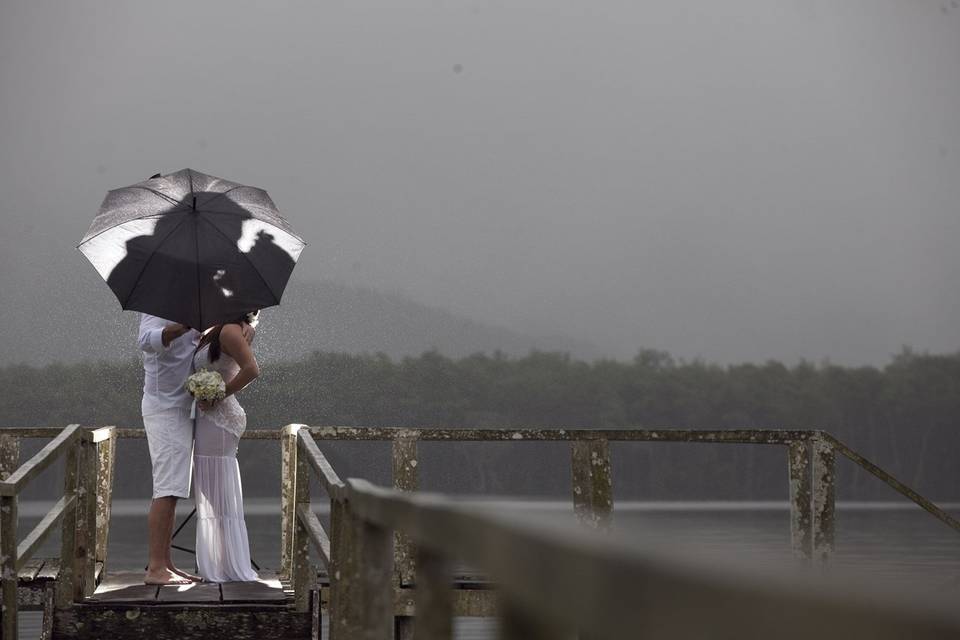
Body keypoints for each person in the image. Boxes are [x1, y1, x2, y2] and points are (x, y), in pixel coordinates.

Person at [191, 310, 261, 582]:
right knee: (211, 492)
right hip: (208, 418)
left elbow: (252, 369)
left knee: (215, 491)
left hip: (221, 418)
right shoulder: (214, 330)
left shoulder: (231, 330)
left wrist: (219, 394)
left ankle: (228, 566)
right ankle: (221, 562)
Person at [137, 313, 203, 585]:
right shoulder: (156, 305)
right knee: (166, 488)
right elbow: (145, 340)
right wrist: (181, 327)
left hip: (180, 407)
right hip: (163, 407)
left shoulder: (195, 306)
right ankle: (155, 568)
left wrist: (246, 325)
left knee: (173, 490)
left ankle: (166, 563)